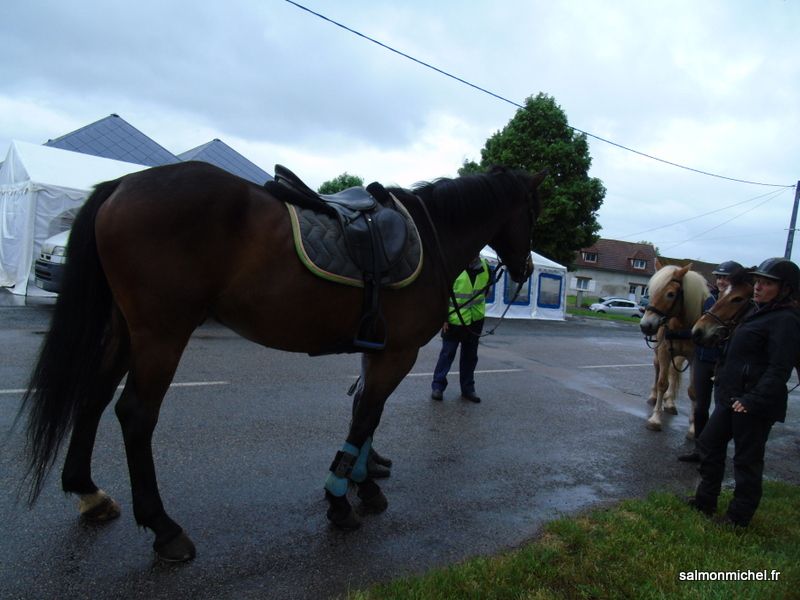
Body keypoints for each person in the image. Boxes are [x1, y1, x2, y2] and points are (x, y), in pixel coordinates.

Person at [687, 257, 800, 527]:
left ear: (786, 289)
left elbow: (779, 368)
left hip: (753, 403)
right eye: (758, 281)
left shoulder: (786, 320)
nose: (759, 287)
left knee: (747, 460)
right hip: (732, 397)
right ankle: (705, 500)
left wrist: (752, 399)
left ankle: (738, 518)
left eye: (768, 283)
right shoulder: (756, 311)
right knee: (708, 443)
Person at [679, 260, 743, 462]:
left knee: (721, 410)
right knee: (700, 407)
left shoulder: (739, 302)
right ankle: (699, 449)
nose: (722, 281)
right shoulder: (709, 299)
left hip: (722, 362)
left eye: (726, 277)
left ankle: (714, 453)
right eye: (719, 277)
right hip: (703, 359)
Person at [431, 255, 490, 403]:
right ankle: (438, 387)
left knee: (470, 357)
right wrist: (443, 318)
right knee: (447, 354)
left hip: (475, 320)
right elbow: (442, 293)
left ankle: (468, 389)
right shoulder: (454, 263)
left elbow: (486, 291)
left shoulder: (485, 266)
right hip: (453, 320)